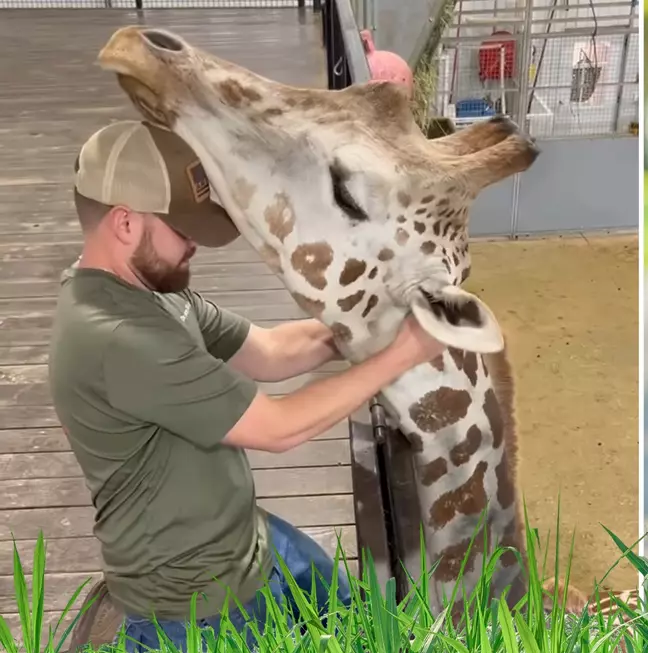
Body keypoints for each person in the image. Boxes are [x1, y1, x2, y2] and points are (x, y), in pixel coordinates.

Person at [47, 119, 447, 652]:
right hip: (193, 603)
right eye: (182, 230)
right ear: (124, 223)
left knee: (368, 625)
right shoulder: (117, 336)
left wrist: (371, 320)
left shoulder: (154, 291)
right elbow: (278, 428)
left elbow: (269, 351)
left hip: (244, 538)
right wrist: (406, 352)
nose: (195, 245)